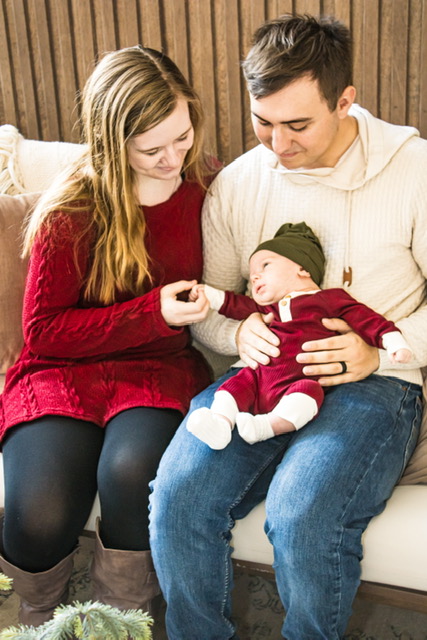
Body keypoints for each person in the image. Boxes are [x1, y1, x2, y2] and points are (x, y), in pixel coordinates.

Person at [149, 14, 427, 640]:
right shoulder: (240, 185)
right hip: (263, 376)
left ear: (345, 100)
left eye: (297, 123)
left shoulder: (415, 172)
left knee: (302, 513)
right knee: (178, 496)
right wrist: (235, 337)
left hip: (375, 385)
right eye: (262, 121)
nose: (277, 144)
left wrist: (374, 355)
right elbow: (212, 307)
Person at [0, 45, 216, 627]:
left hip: (157, 370)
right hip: (60, 372)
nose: (174, 158)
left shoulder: (205, 186)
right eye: (152, 149)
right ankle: (34, 620)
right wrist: (150, 312)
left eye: (182, 134)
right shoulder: (71, 206)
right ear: (110, 143)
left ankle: (119, 622)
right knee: (39, 509)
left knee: (129, 472)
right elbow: (42, 333)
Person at [187, 222, 412, 449]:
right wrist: (210, 294)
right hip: (259, 378)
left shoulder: (328, 299)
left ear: (302, 269)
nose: (255, 277)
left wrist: (392, 341)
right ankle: (220, 424)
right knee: (232, 387)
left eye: (265, 266)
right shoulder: (267, 311)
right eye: (252, 273)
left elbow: (366, 319)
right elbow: (235, 304)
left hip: (301, 379)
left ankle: (266, 427)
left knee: (308, 396)